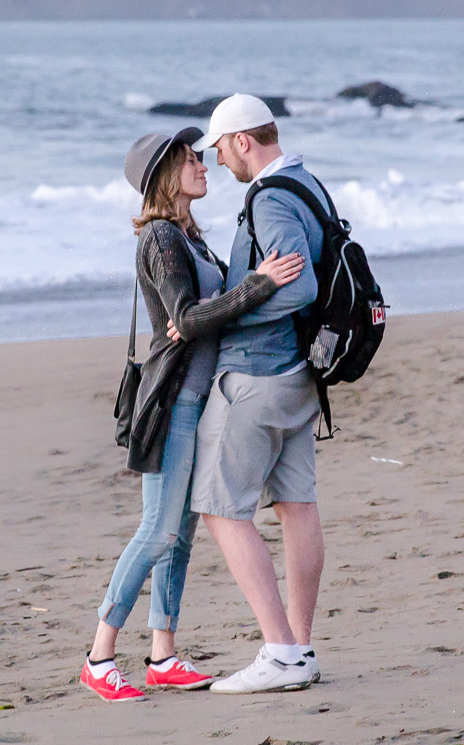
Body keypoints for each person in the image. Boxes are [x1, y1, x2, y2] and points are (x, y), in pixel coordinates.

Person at [81, 126, 305, 702]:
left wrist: (211, 310)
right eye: (188, 160)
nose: (203, 165)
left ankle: (163, 654)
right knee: (157, 531)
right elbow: (186, 317)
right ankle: (100, 655)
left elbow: (200, 317)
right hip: (174, 400)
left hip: (201, 398)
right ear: (164, 177)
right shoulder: (159, 238)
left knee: (180, 534)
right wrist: (255, 287)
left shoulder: (190, 237)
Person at [176, 94, 329, 694]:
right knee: (297, 507)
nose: (217, 161)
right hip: (298, 376)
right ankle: (300, 648)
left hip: (257, 379)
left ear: (243, 140)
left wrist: (220, 317)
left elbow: (299, 287)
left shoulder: (268, 198)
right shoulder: (306, 183)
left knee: (219, 509)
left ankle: (280, 650)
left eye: (219, 148)